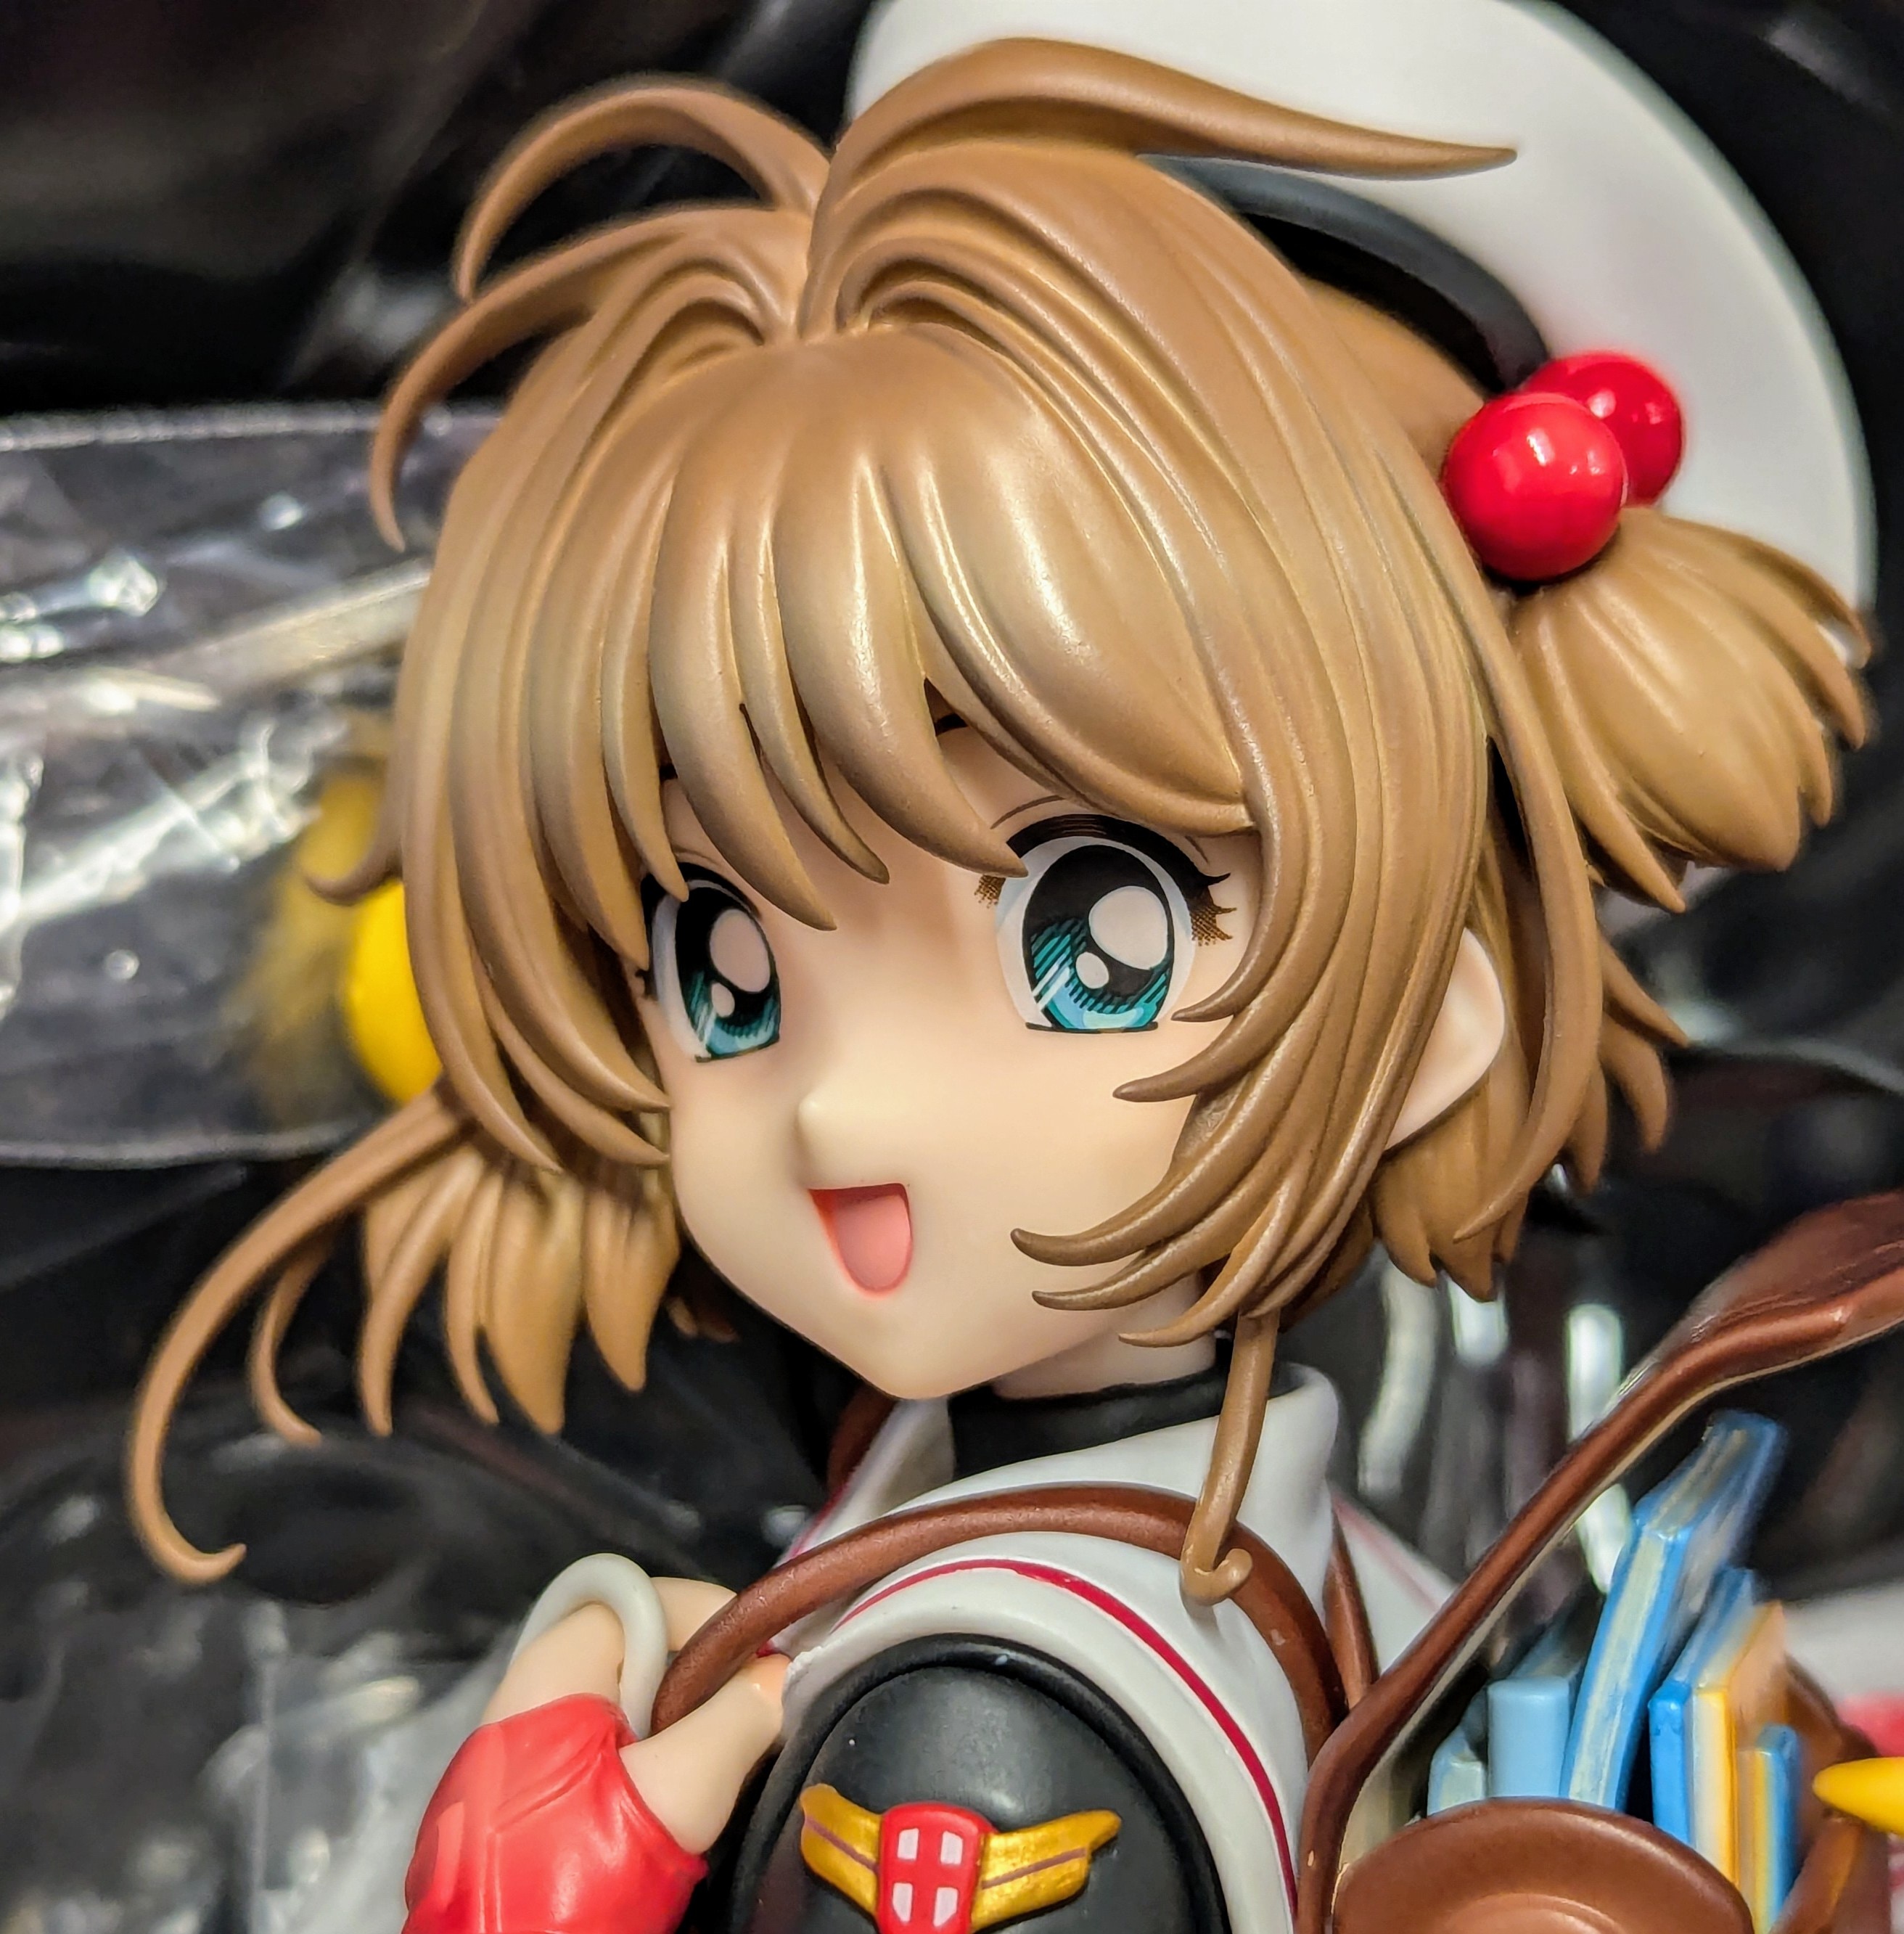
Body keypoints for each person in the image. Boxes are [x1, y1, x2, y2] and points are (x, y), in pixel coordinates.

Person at [123, 30, 1867, 1934]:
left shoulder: (977, 1729)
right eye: (723, 961)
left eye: (1092, 929)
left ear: (1435, 1020)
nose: (841, 1105)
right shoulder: (1303, 1552)